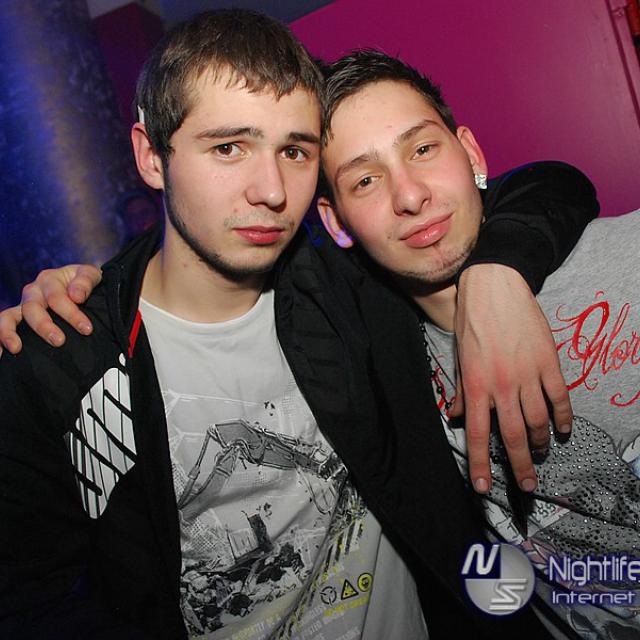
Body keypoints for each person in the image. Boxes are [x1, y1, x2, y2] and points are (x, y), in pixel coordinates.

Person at [0, 11, 599, 640]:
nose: (271, 190)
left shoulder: (347, 287)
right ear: (152, 156)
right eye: (228, 147)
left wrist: (496, 274)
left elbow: (544, 185)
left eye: (293, 151)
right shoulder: (56, 363)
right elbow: (32, 602)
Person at [314, 49, 640, 638]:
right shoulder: (380, 360)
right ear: (336, 222)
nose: (409, 195)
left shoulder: (628, 262)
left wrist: (498, 271)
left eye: (422, 150)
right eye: (365, 180)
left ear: (470, 154)